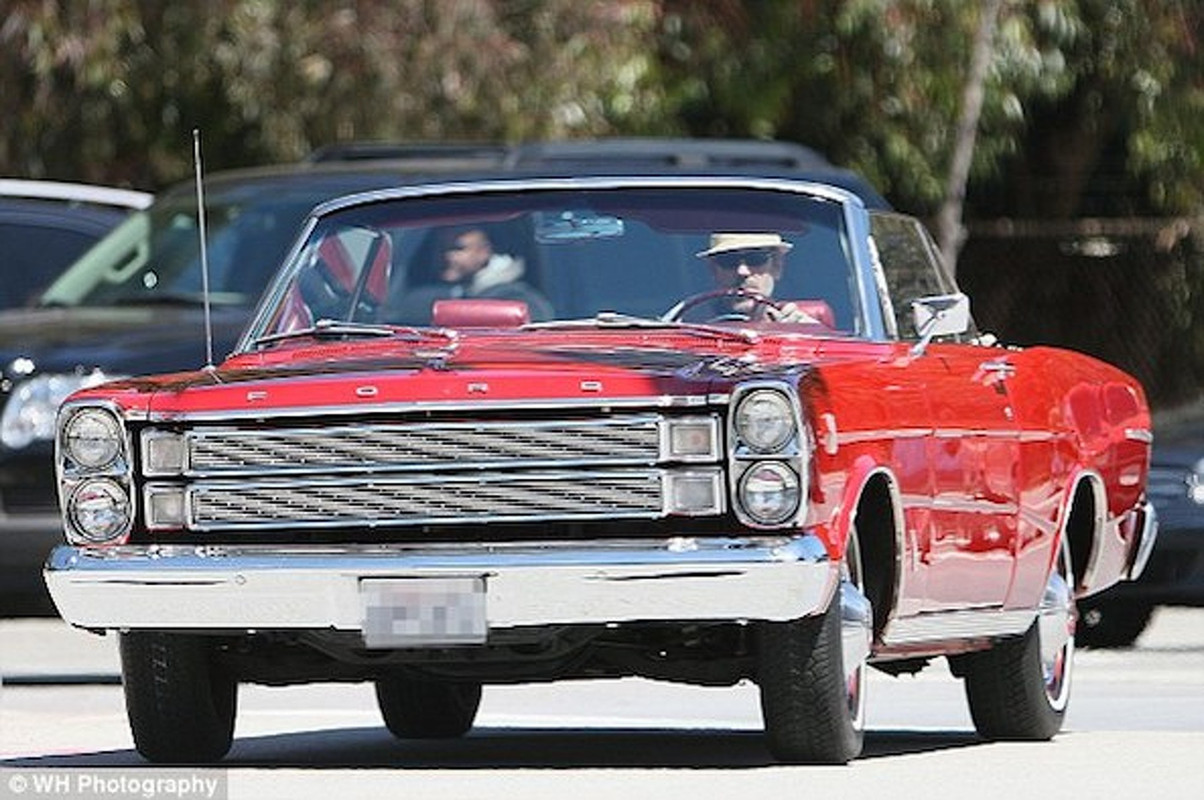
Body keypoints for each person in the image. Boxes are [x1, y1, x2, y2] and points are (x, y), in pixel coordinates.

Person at [694, 232, 817, 322]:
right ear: (714, 270)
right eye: (728, 260)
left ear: (777, 266)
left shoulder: (803, 333)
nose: (742, 271)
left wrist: (798, 335)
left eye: (755, 259)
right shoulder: (686, 327)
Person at [437, 227, 553, 320]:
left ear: (484, 251)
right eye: (442, 248)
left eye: (457, 249)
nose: (446, 256)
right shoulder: (458, 293)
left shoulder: (517, 299)